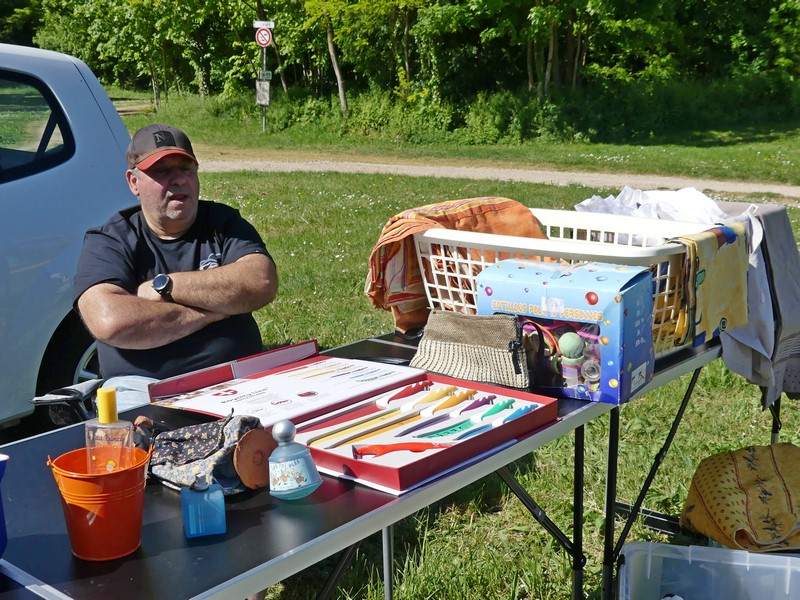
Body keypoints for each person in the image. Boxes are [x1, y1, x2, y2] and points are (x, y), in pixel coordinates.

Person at [73, 123, 278, 410]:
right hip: (143, 388)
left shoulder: (223, 223)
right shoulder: (110, 240)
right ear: (133, 182)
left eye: (186, 169)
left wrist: (166, 287)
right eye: (162, 171)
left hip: (238, 378)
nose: (179, 180)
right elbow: (110, 322)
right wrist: (216, 309)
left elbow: (260, 282)